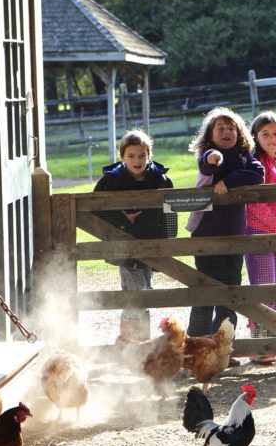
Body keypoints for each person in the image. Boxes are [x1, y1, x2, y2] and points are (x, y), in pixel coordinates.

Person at [186, 108, 264, 345]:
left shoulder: (245, 155)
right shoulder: (210, 152)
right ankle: (196, 343)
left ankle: (222, 344)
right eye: (221, 128)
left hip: (234, 234)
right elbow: (206, 164)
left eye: (231, 128)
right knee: (205, 288)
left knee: (230, 289)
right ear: (210, 134)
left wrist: (228, 181)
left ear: (239, 133)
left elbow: (258, 174)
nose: (227, 131)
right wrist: (212, 160)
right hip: (206, 233)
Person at [94, 128, 175, 340]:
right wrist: (122, 220)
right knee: (134, 295)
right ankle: (131, 343)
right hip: (125, 246)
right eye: (131, 155)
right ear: (122, 157)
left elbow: (171, 211)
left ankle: (140, 343)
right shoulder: (110, 181)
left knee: (145, 291)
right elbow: (93, 210)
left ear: (149, 156)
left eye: (142, 155)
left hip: (153, 244)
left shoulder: (161, 179)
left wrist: (169, 245)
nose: (137, 160)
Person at [244, 111, 276, 340]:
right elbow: (254, 200)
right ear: (255, 137)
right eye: (265, 134)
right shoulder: (255, 165)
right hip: (259, 232)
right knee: (264, 286)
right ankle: (261, 342)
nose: (272, 138)